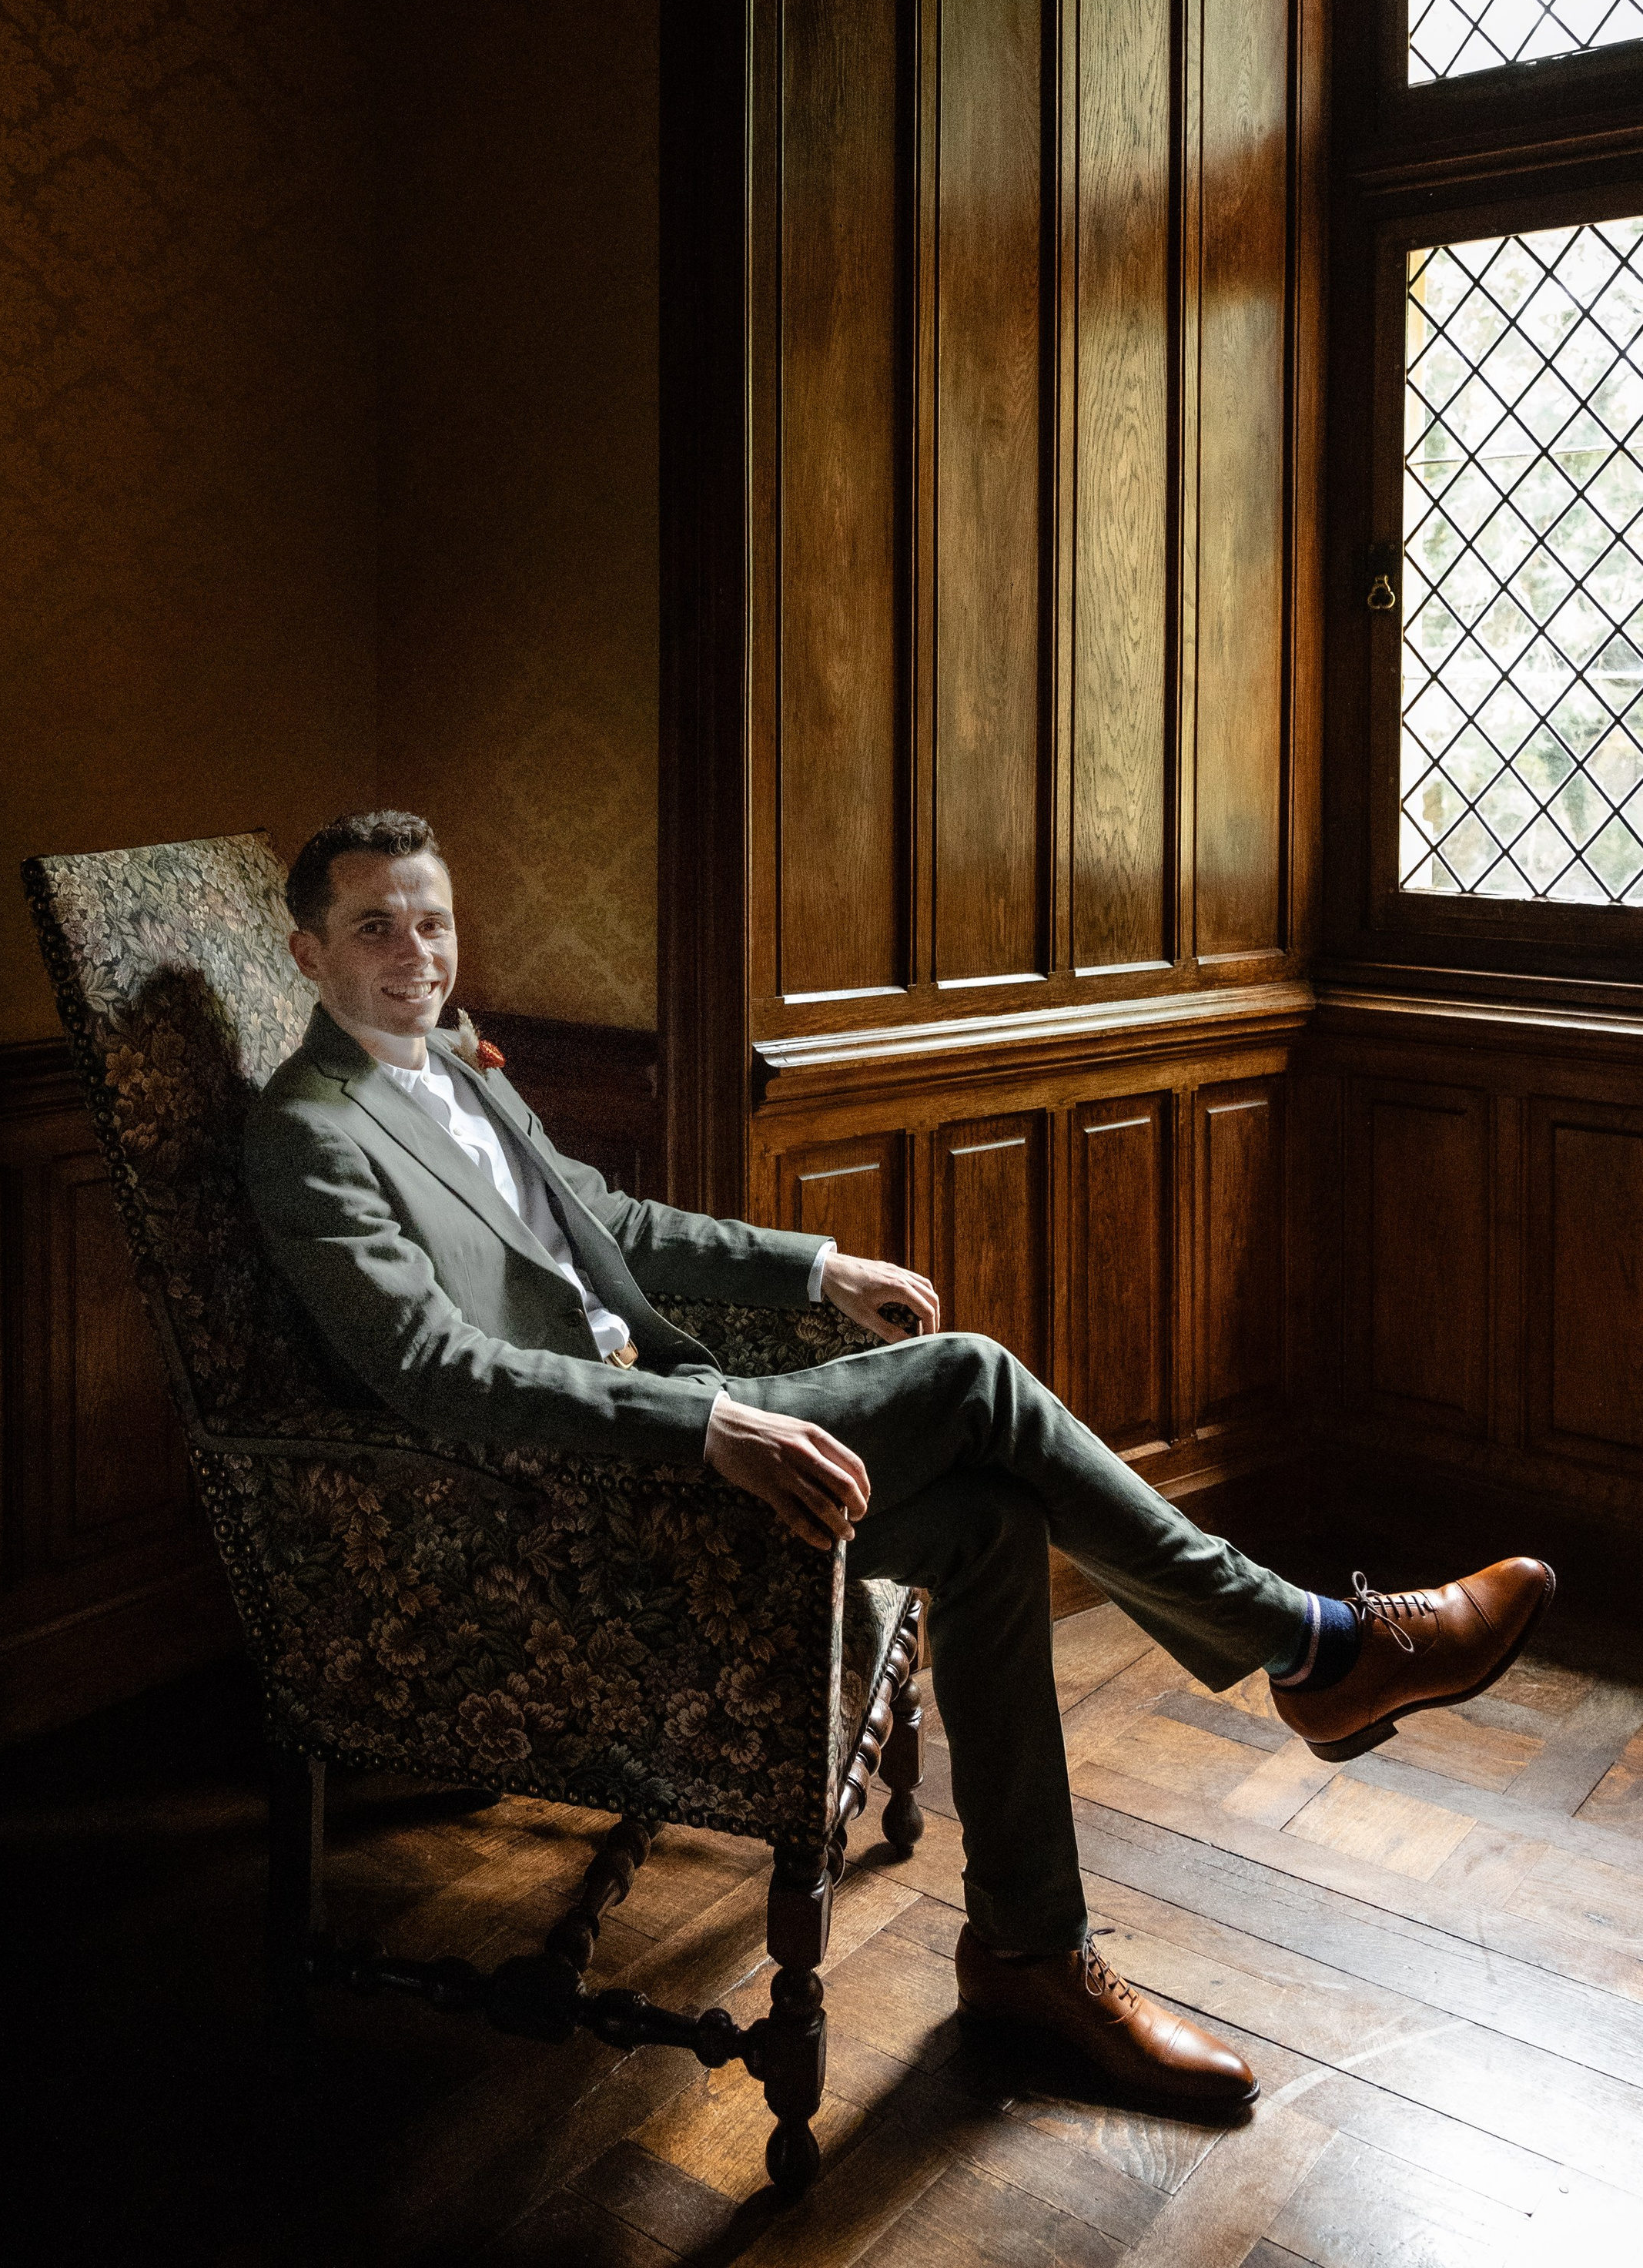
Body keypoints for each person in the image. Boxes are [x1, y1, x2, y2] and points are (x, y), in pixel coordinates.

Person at [245, 809, 1554, 2113]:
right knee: (971, 1377)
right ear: (309, 953)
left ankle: (1029, 1954)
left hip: (678, 1424)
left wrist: (818, 1266)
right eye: (376, 928)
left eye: (433, 923)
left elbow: (615, 1226)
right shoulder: (309, 1129)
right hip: (579, 1502)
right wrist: (705, 1426)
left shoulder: (460, 1062)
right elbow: (435, 1371)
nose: (416, 955)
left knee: (988, 1524)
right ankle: (1317, 1647)